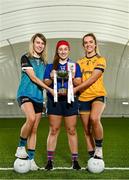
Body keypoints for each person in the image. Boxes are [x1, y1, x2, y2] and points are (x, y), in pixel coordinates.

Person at [15, 33, 54, 171]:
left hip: (38, 98)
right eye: (38, 42)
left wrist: (53, 78)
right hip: (25, 94)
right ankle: (20, 147)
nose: (40, 45)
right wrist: (50, 89)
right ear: (33, 43)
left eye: (42, 43)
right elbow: (33, 78)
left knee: (34, 130)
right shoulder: (25, 57)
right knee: (30, 118)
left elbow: (43, 81)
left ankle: (31, 160)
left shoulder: (44, 63)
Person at [43, 40, 82, 170]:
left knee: (71, 130)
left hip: (70, 100)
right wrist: (51, 76)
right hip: (54, 101)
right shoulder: (50, 66)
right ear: (57, 51)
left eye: (65, 49)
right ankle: (49, 161)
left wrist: (71, 76)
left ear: (69, 51)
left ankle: (75, 161)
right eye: (60, 49)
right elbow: (46, 83)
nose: (63, 51)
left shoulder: (74, 65)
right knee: (53, 130)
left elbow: (78, 82)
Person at [74, 33, 107, 160]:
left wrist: (77, 87)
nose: (88, 44)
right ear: (83, 46)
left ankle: (99, 149)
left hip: (98, 95)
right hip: (83, 98)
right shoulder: (79, 63)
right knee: (87, 130)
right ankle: (92, 157)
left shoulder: (100, 59)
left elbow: (93, 78)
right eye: (86, 42)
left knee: (94, 118)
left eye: (90, 42)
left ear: (95, 44)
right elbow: (76, 79)